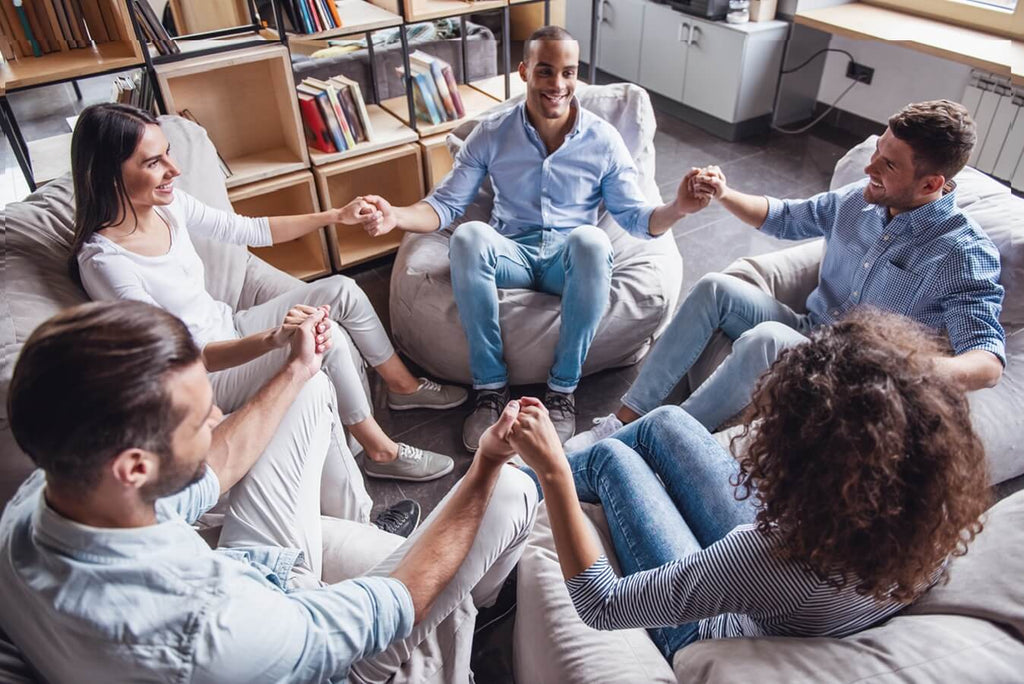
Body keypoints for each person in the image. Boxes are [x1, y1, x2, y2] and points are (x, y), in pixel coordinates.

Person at [0, 300, 538, 683]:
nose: (218, 416)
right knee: (510, 491)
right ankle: (486, 602)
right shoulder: (204, 634)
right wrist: (487, 463)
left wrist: (300, 366)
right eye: (199, 420)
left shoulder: (44, 495)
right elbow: (388, 606)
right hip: (312, 652)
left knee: (310, 389)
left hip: (252, 574)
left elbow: (213, 466)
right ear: (135, 467)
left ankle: (369, 527)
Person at [510, 309, 991, 661]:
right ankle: (515, 481)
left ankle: (506, 490)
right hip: (811, 575)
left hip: (709, 631)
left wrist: (553, 471)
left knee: (612, 457)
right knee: (666, 424)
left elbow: (603, 604)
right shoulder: (935, 505)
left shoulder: (771, 555)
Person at [69, 103, 461, 504]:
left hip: (231, 325)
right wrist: (276, 338)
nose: (175, 169)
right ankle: (380, 450)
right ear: (108, 174)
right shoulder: (107, 264)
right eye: (154, 162)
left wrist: (335, 215)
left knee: (340, 290)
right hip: (208, 375)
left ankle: (402, 387)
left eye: (169, 152)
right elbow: (186, 358)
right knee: (327, 339)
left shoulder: (168, 206)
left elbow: (249, 229)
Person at [568, 99, 1005, 450]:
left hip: (854, 372)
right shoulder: (859, 199)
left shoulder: (962, 254)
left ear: (932, 185)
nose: (870, 168)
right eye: (877, 152)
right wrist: (722, 193)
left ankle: (653, 444)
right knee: (715, 288)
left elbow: (986, 364)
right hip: (812, 329)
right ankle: (622, 421)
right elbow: (784, 218)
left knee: (767, 340)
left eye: (889, 165)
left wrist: (900, 365)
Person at [355, 26, 713, 451]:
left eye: (568, 73)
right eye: (546, 71)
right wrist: (393, 215)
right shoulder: (491, 133)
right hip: (512, 255)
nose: (558, 85)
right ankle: (490, 391)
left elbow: (636, 221)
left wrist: (678, 209)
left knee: (593, 242)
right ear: (524, 71)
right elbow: (445, 206)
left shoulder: (603, 140)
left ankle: (561, 393)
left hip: (570, 262)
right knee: (468, 237)